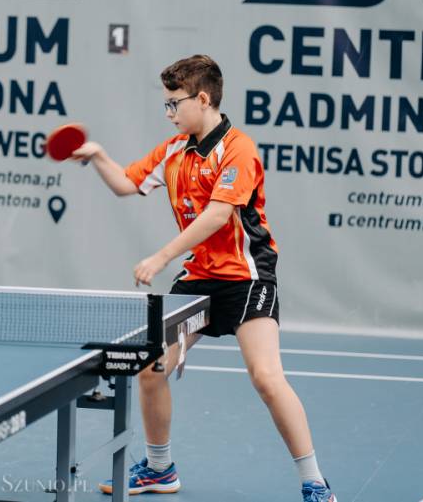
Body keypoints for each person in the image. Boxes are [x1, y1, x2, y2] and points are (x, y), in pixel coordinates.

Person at [70, 55, 335, 501]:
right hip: (198, 278)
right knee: (151, 369)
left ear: (204, 99)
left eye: (174, 104)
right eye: (167, 105)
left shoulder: (238, 149)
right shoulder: (173, 151)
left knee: (266, 377)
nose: (169, 113)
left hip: (246, 278)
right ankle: (159, 469)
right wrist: (98, 155)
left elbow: (218, 215)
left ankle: (315, 484)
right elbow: (126, 184)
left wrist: (160, 257)